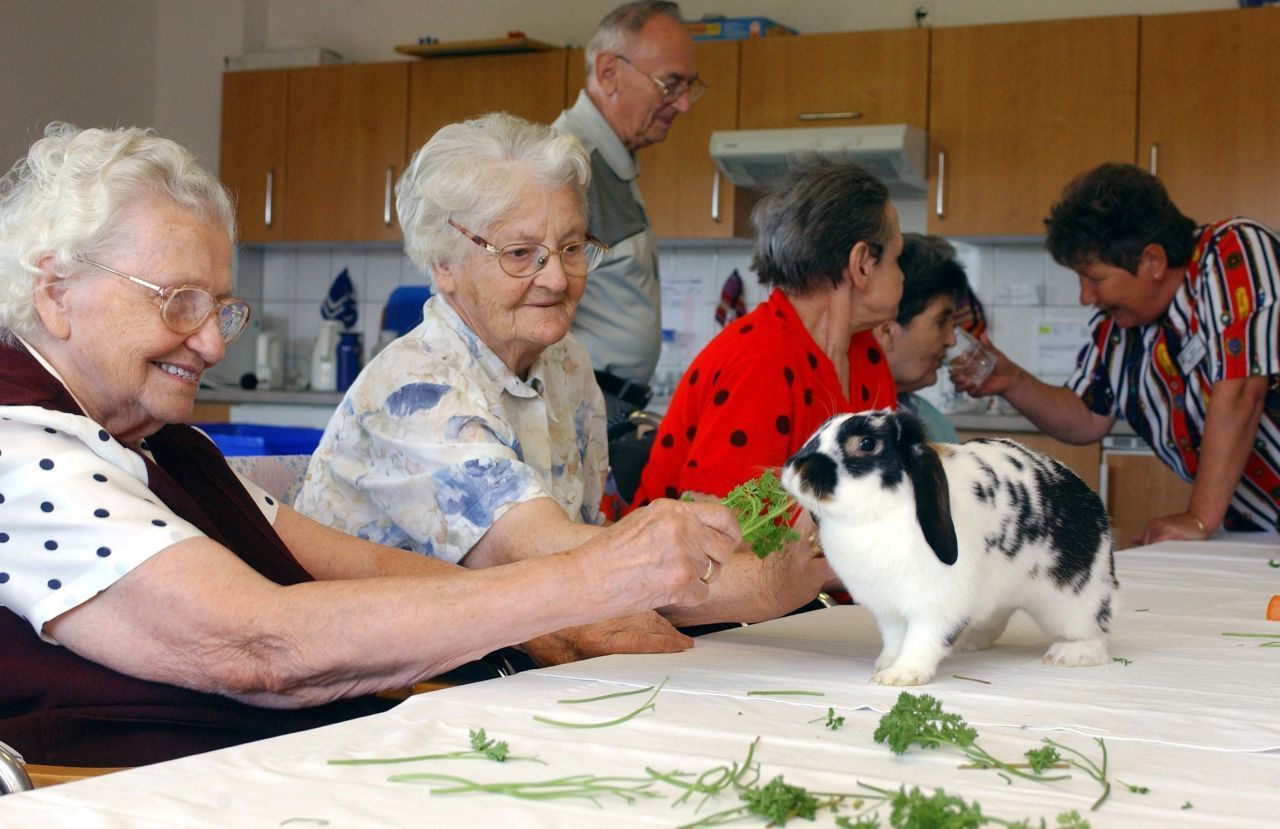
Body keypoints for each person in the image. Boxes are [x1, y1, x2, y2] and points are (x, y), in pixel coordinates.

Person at [0, 123, 741, 767]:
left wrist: (558, 616)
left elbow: (356, 564)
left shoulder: (164, 446)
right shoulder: (19, 448)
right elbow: (265, 646)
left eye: (221, 307)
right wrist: (588, 581)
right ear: (55, 292)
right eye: (177, 301)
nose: (210, 342)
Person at [295, 113, 833, 666]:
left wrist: (786, 569)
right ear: (444, 264)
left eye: (572, 248)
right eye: (520, 253)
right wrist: (762, 576)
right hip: (383, 691)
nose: (556, 279)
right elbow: (546, 557)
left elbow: (599, 583)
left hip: (500, 668)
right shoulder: (413, 391)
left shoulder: (566, 365)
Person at [954, 162, 1280, 544]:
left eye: (1095, 279)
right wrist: (1012, 381)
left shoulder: (1233, 251)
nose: (1085, 297)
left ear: (1153, 262)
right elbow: (1086, 417)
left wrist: (1199, 518)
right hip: (1253, 530)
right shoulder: (1118, 330)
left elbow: (1242, 389)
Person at [631, 157, 904, 505]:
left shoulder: (865, 353)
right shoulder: (761, 361)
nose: (902, 275)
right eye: (897, 258)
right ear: (862, 263)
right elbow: (717, 530)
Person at [553, 0, 705, 424]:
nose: (684, 104)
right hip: (578, 405)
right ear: (608, 73)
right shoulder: (569, 166)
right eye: (670, 84)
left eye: (690, 86)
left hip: (610, 405)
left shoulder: (612, 162)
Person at [873, 233, 971, 443]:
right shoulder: (843, 418)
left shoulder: (932, 422)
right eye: (941, 323)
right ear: (886, 331)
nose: (951, 340)